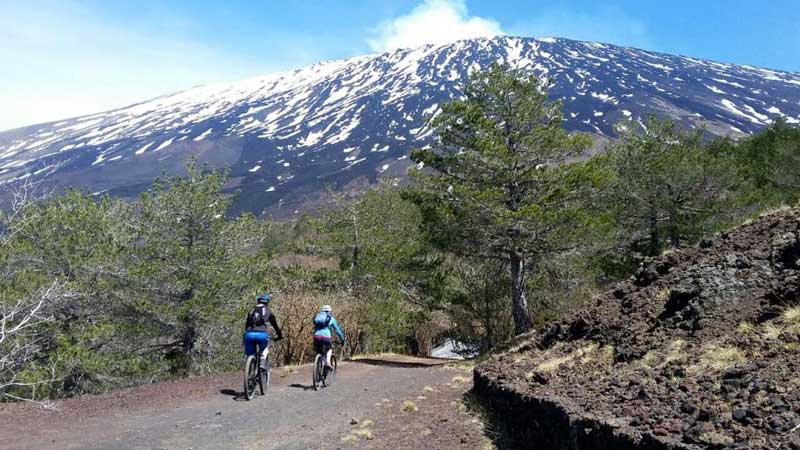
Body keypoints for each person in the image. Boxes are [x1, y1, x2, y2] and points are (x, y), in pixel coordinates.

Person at [243, 294, 283, 369]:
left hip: (249, 334)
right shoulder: (268, 311)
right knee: (265, 349)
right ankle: (263, 361)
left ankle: (249, 368)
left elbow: (247, 324)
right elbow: (275, 325)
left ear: (258, 301)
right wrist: (279, 335)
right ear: (267, 302)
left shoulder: (251, 311)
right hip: (261, 334)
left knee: (250, 354)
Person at [312, 305, 344, 369]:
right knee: (329, 348)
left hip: (316, 336)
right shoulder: (331, 318)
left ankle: (319, 363)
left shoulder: (317, 317)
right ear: (329, 311)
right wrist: (342, 338)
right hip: (326, 337)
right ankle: (328, 362)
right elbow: (337, 330)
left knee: (319, 351)